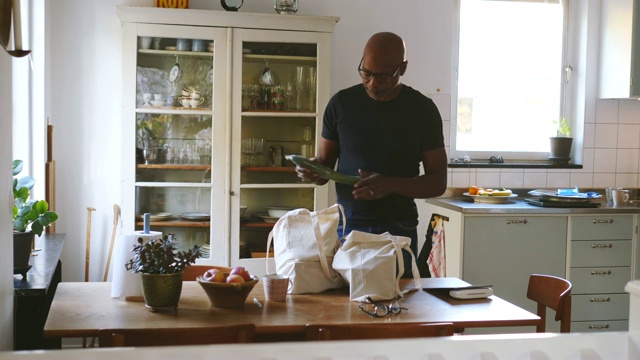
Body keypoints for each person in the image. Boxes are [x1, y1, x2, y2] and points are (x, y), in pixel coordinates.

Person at [295, 32, 448, 277]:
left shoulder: (422, 111)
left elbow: (438, 182)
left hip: (398, 228)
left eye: (384, 77)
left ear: (403, 69)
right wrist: (312, 169)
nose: (372, 83)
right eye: (366, 73)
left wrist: (390, 185)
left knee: (397, 304)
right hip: (347, 225)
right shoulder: (341, 104)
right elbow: (324, 167)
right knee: (347, 306)